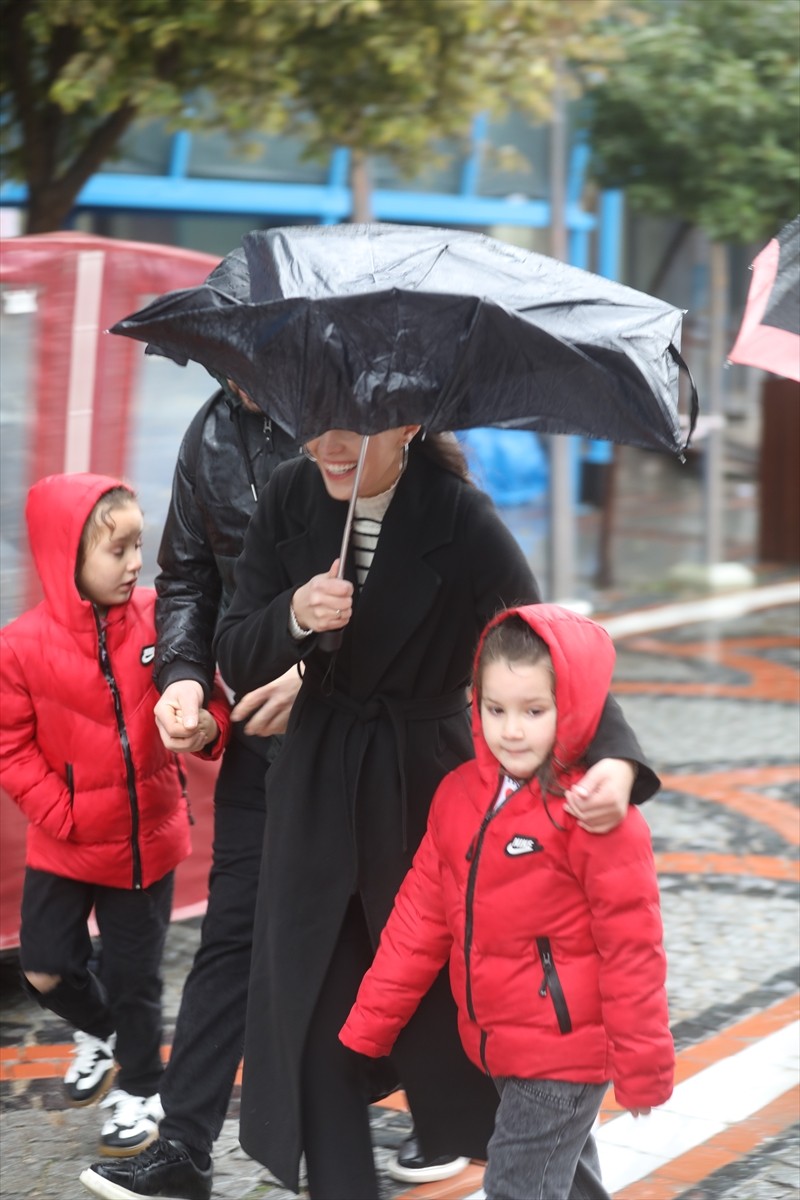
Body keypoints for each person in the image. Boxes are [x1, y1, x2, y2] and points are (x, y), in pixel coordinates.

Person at [201, 424, 658, 1199]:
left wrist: (613, 756)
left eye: (351, 426)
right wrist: (295, 615)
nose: (328, 445)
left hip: (422, 795)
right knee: (318, 1031)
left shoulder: (459, 516)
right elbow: (238, 650)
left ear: (406, 422)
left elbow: (547, 645)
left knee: (480, 1033)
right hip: (316, 792)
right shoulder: (287, 495)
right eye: (317, 424)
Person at [340, 603, 675, 1199]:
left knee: (517, 1185)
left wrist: (642, 1067)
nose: (511, 730)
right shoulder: (458, 796)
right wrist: (371, 1022)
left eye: (533, 711)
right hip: (500, 1044)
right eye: (495, 709)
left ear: (572, 707)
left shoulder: (596, 815)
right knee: (564, 1180)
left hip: (565, 1052)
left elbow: (633, 948)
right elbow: (418, 922)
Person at [79, 383, 302, 1200]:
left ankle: (482, 1106)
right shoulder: (209, 433)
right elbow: (188, 579)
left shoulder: (360, 422)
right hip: (257, 730)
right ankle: (183, 1149)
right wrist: (180, 675)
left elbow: (409, 595)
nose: (237, 375)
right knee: (231, 935)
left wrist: (316, 676)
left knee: (383, 933)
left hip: (359, 739)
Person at [0, 474, 229, 1158]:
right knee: (45, 966)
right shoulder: (19, 646)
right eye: (117, 549)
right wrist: (62, 813)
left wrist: (206, 731)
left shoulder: (162, 618)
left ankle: (142, 1086)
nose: (135, 563)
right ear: (66, 557)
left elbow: (211, 701)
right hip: (64, 840)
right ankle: (99, 1031)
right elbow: (10, 746)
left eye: (138, 545)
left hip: (145, 840)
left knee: (136, 977)